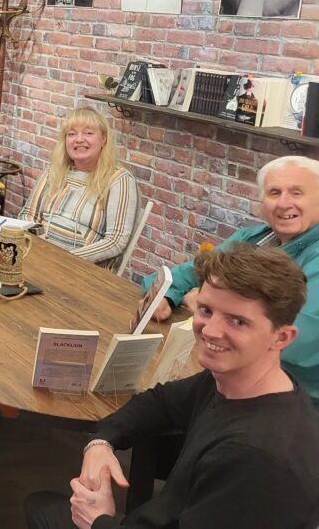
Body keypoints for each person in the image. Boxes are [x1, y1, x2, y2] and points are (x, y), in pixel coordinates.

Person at [25, 243, 319, 529]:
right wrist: (101, 443)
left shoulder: (256, 458)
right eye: (205, 310)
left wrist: (98, 520)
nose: (211, 330)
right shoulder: (232, 381)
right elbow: (159, 401)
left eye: (238, 322)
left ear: (282, 338)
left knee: (40, 507)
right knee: (42, 504)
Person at [147, 155, 319, 403]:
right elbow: (190, 272)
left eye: (296, 193)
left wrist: (217, 306)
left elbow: (304, 339)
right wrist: (166, 294)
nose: (283, 203)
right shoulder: (255, 238)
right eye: (274, 192)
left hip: (292, 399)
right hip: (230, 373)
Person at [18, 106, 138, 269]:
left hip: (82, 270)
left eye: (88, 133)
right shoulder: (54, 170)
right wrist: (39, 246)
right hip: (40, 258)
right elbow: (28, 215)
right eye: (72, 134)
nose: (79, 139)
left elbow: (115, 241)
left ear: (104, 139)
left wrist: (65, 258)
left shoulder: (119, 180)